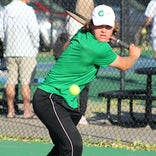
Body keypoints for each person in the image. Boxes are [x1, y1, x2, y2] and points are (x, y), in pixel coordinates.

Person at [33, 4, 141, 156]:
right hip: (50, 98)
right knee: (73, 146)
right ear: (91, 25)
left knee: (62, 147)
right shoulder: (98, 48)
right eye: (99, 26)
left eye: (107, 26)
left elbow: (71, 45)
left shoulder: (82, 33)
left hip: (65, 101)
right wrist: (134, 55)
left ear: (113, 28)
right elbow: (124, 65)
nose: (103, 30)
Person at [54, 0, 95, 125]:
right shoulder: (80, 21)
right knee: (80, 88)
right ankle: (78, 114)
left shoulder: (89, 22)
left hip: (78, 58)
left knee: (77, 87)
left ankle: (76, 113)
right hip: (80, 59)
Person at [0, 0, 40, 118]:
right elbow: (34, 30)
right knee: (25, 82)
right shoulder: (28, 10)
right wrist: (35, 46)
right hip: (26, 51)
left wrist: (6, 44)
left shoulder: (6, 10)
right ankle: (27, 111)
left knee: (11, 81)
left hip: (10, 51)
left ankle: (10, 111)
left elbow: (1, 32)